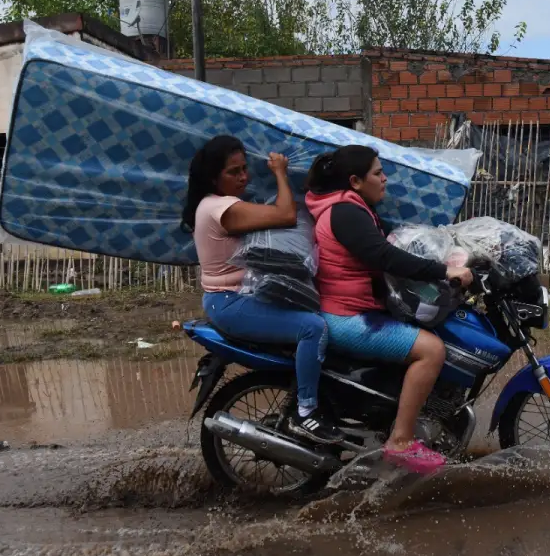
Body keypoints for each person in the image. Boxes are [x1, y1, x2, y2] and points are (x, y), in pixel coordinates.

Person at [304, 144, 473, 474]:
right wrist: (444, 271)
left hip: (359, 310)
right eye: (378, 173)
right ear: (355, 181)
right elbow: (385, 257)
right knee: (432, 350)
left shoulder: (352, 208)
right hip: (346, 317)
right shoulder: (345, 213)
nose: (385, 179)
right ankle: (401, 441)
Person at [182, 135, 343, 445]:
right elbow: (285, 214)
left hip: (236, 298)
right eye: (233, 172)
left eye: (244, 169)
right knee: (313, 328)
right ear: (213, 177)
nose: (243, 177)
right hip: (231, 303)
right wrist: (280, 171)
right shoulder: (222, 208)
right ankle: (305, 412)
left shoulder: (214, 205)